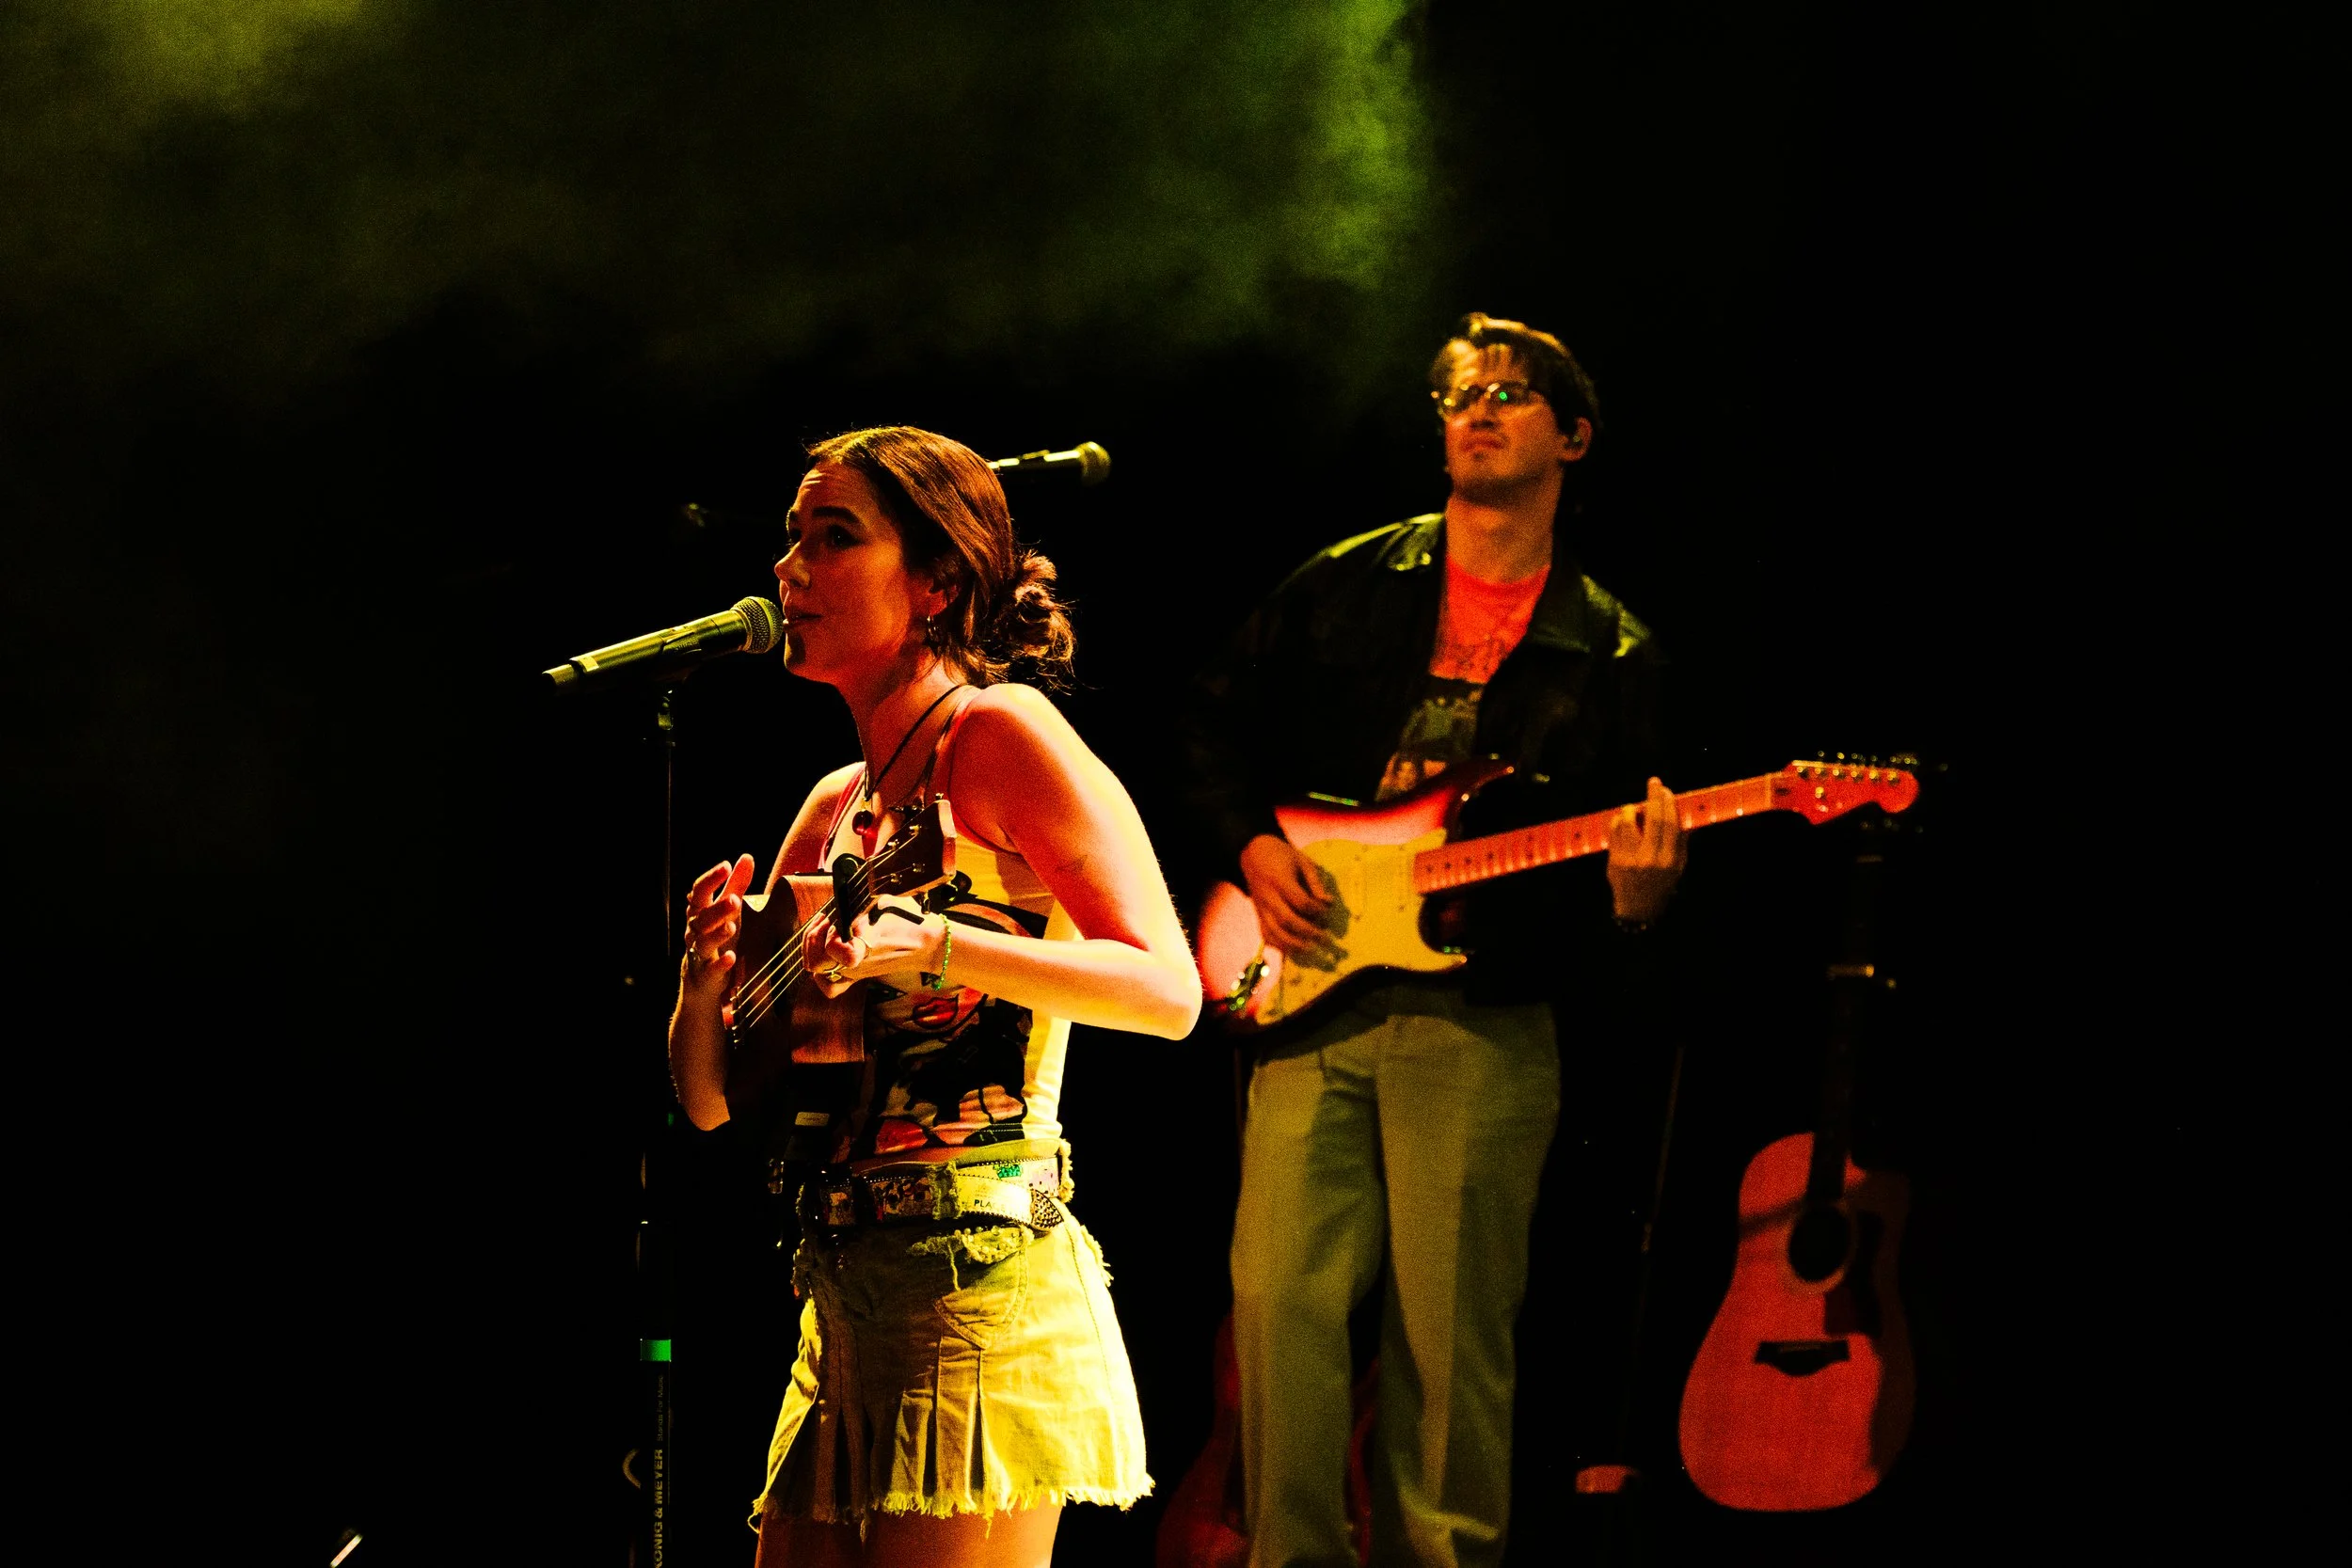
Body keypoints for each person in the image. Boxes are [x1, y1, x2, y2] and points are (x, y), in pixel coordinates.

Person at [1180, 314, 1689, 1568]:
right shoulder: (1349, 578)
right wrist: (1254, 849)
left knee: (1450, 1338)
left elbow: (1629, 894)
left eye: (1511, 394)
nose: (1476, 409)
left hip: (1486, 1013)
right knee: (1278, 1304)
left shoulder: (1613, 648)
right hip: (1312, 990)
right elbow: (1210, 726)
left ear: (1571, 435)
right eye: (1458, 392)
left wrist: (1636, 898)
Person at [668, 426, 1201, 1568]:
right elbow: (713, 1103)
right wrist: (701, 983)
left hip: (976, 1280)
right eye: (791, 540)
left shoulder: (997, 733)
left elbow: (1166, 989)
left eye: (834, 537)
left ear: (938, 580)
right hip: (843, 1296)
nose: (788, 570)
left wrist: (944, 943)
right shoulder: (831, 808)